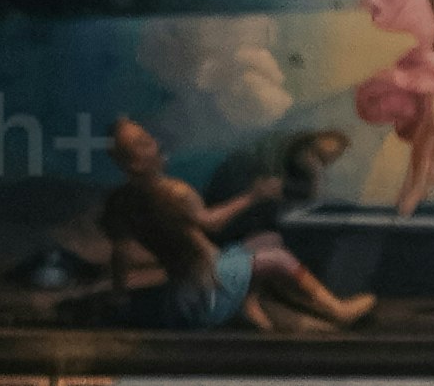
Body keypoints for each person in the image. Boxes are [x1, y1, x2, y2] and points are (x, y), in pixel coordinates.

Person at [79, 115, 373, 332]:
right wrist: (253, 195)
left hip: (182, 297)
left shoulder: (120, 201)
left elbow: (121, 253)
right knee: (278, 259)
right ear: (134, 163)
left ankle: (249, 306)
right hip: (209, 286)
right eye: (144, 143)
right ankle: (337, 310)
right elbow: (211, 223)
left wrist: (118, 295)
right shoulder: (175, 192)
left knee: (267, 240)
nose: (155, 143)